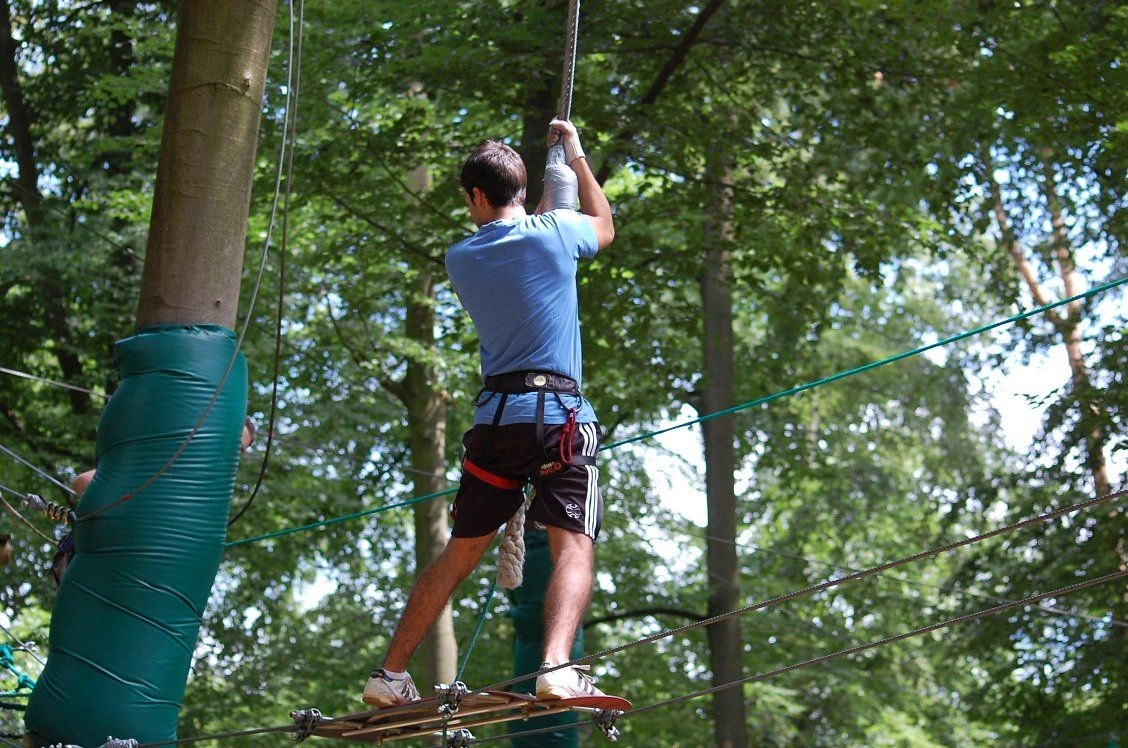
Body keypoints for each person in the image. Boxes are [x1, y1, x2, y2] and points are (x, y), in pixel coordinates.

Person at [364, 119, 615, 707]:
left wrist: (554, 188)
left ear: (477, 195)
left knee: (459, 553)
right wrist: (576, 159)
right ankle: (556, 667)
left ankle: (390, 674)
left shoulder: (462, 257)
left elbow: (534, 234)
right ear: (521, 191)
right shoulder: (556, 233)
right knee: (573, 547)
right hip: (558, 418)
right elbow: (602, 225)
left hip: (498, 421)